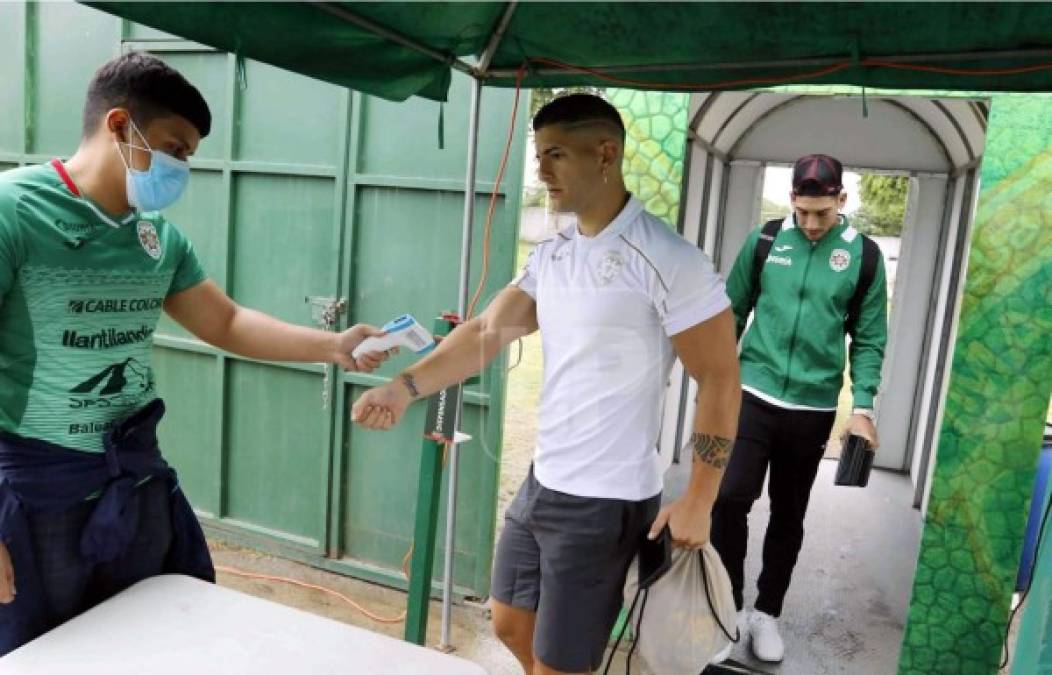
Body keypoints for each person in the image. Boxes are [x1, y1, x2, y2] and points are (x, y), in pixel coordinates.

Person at [0, 52, 390, 654]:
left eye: (188, 156)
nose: (180, 168)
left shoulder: (157, 238)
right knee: (44, 654)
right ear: (118, 125)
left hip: (132, 479)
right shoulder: (15, 211)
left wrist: (334, 346)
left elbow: (227, 321)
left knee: (146, 642)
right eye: (173, 148)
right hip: (39, 491)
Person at [351, 94, 741, 675]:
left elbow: (718, 375)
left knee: (562, 663)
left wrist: (701, 498)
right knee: (508, 622)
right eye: (539, 155)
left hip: (605, 501)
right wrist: (403, 388)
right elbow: (486, 330)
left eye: (555, 154)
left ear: (605, 154)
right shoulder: (553, 254)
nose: (541, 171)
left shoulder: (667, 258)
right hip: (544, 482)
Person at [710, 154, 888, 664]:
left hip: (811, 408)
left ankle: (766, 613)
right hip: (753, 394)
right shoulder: (765, 241)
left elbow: (870, 339)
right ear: (792, 199)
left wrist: (865, 406)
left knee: (789, 513)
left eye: (822, 214)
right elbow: (732, 311)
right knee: (729, 499)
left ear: (841, 202)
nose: (812, 224)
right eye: (804, 212)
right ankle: (727, 610)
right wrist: (719, 382)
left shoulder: (864, 257)